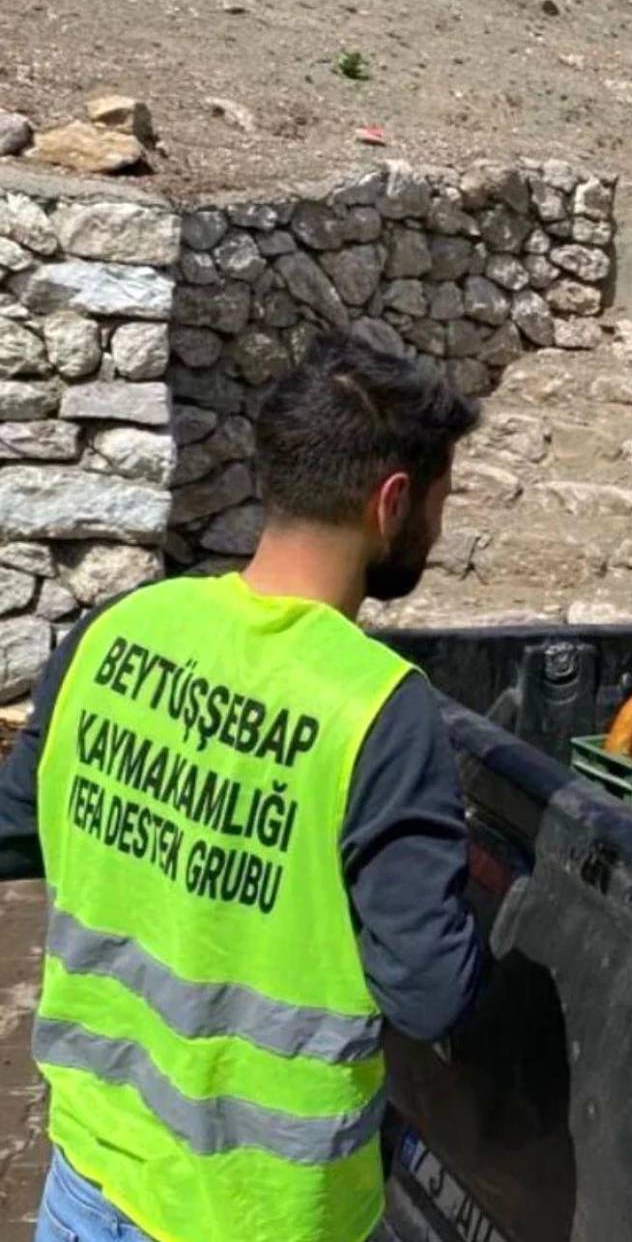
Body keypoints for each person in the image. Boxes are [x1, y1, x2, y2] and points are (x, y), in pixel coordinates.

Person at [0, 333, 487, 1242]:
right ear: (392, 502)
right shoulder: (378, 708)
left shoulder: (119, 629)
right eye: (441, 496)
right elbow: (429, 993)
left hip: (88, 1173)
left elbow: (17, 825)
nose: (439, 522)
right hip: (259, 1214)